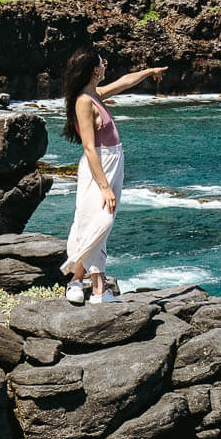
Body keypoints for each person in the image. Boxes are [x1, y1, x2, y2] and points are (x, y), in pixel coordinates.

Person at [61, 50, 166, 304]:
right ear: (95, 70)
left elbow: (125, 82)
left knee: (97, 223)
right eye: (102, 63)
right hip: (100, 165)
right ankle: (78, 280)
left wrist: (150, 72)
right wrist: (104, 187)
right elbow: (88, 147)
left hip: (113, 162)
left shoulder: (94, 94)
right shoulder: (83, 101)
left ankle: (95, 288)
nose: (106, 66)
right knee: (99, 222)